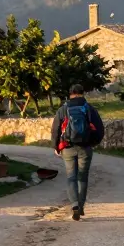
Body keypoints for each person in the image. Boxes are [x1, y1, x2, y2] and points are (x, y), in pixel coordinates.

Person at [50, 84, 105, 220]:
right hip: (85, 148)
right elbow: (99, 130)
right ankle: (81, 206)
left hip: (67, 148)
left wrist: (56, 146)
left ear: (70, 94)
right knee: (83, 177)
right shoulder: (89, 109)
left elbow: (55, 129)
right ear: (83, 93)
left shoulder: (63, 109)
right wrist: (93, 143)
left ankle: (74, 204)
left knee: (71, 177)